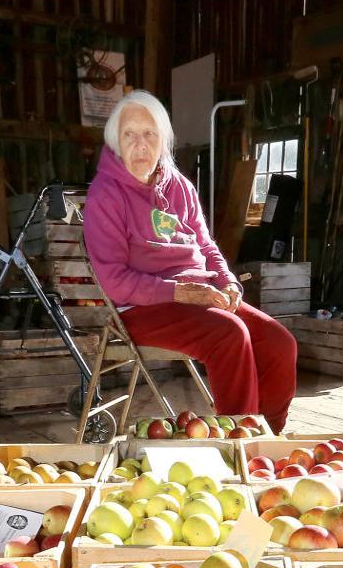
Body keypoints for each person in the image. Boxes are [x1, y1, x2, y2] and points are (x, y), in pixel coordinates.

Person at [82, 90, 297, 431]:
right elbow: (116, 281)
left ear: (163, 140)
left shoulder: (179, 186)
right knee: (229, 334)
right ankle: (237, 438)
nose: (140, 144)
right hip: (140, 309)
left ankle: (266, 435)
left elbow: (206, 244)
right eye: (129, 134)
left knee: (278, 343)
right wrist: (182, 292)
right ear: (115, 142)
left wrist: (227, 280)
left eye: (149, 134)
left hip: (200, 296)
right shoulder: (105, 195)